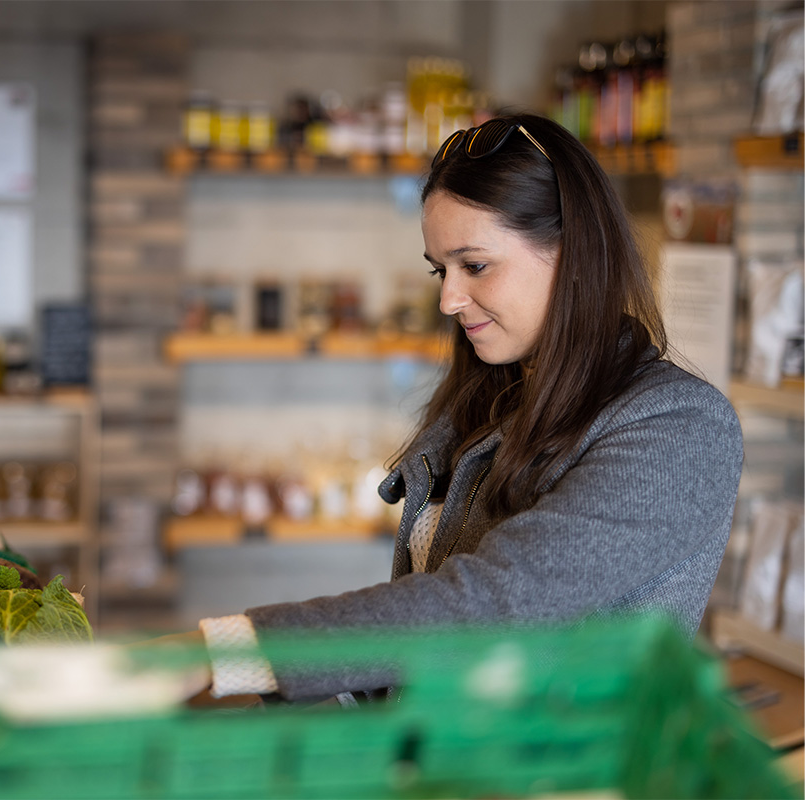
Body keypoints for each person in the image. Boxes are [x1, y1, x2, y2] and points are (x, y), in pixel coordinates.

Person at [166, 113, 745, 705]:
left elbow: (496, 603)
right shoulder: (496, 400)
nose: (448, 298)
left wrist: (223, 653)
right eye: (440, 270)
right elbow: (427, 631)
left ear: (573, 254)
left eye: (476, 265)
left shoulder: (679, 428)